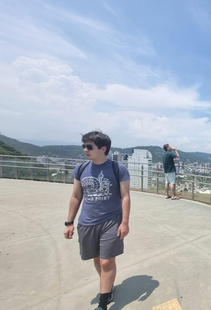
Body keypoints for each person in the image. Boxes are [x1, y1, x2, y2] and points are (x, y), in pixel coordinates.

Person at [63, 131, 131, 310]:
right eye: (84, 146)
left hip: (111, 221)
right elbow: (76, 197)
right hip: (87, 222)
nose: (85, 149)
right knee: (96, 259)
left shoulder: (118, 168)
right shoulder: (81, 168)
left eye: (89, 147)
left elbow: (125, 197)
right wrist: (69, 222)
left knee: (106, 261)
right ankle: (107, 287)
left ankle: (103, 302)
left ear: (103, 149)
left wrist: (125, 222)